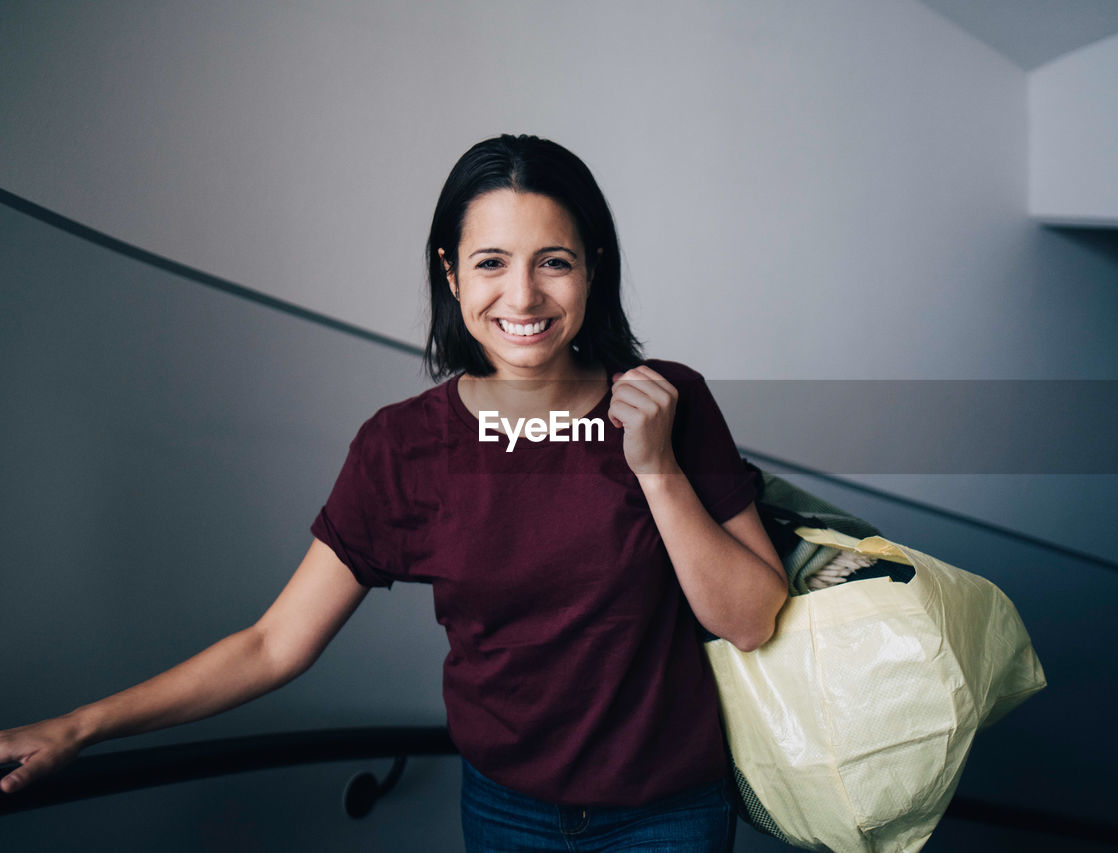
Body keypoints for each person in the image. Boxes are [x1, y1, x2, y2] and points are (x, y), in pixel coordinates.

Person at [0, 134, 788, 851]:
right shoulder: (400, 448)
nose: (522, 297)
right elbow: (273, 644)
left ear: (593, 266)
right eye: (490, 263)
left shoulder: (667, 400)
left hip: (668, 815)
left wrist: (656, 469)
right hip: (505, 813)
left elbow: (751, 617)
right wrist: (80, 725)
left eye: (553, 259)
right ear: (449, 272)